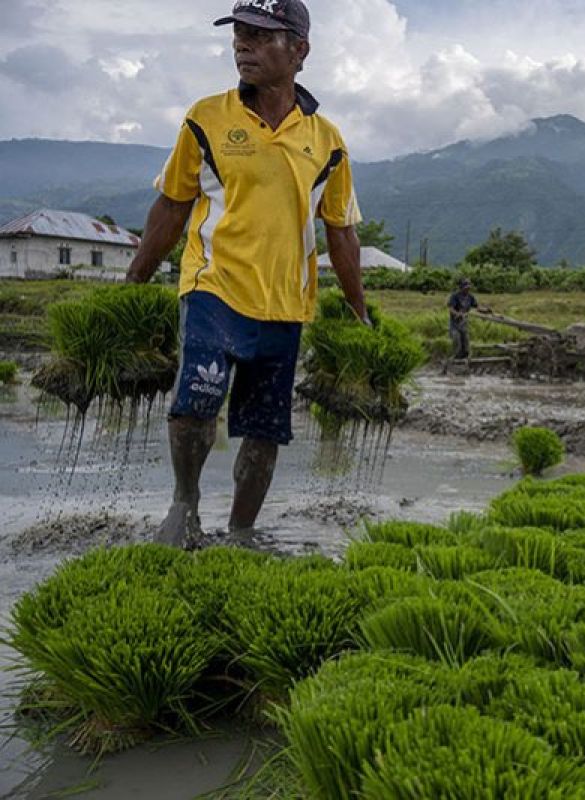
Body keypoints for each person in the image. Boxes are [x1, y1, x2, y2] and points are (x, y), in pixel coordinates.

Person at [125, 0, 370, 547]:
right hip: (214, 286)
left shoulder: (327, 141)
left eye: (260, 35)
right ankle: (184, 507)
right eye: (239, 34)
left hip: (285, 304)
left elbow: (342, 233)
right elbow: (171, 206)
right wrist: (132, 283)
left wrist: (359, 312)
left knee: (264, 427)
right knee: (197, 397)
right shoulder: (207, 117)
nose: (243, 45)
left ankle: (241, 530)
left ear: (299, 51)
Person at [446, 278, 492, 362]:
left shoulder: (470, 297)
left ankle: (465, 359)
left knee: (466, 342)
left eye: (468, 287)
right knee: (457, 340)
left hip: (464, 323)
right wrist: (457, 314)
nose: (467, 289)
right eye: (465, 287)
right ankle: (456, 360)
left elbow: (477, 307)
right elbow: (451, 308)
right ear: (461, 287)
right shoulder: (455, 296)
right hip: (455, 324)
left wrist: (485, 310)